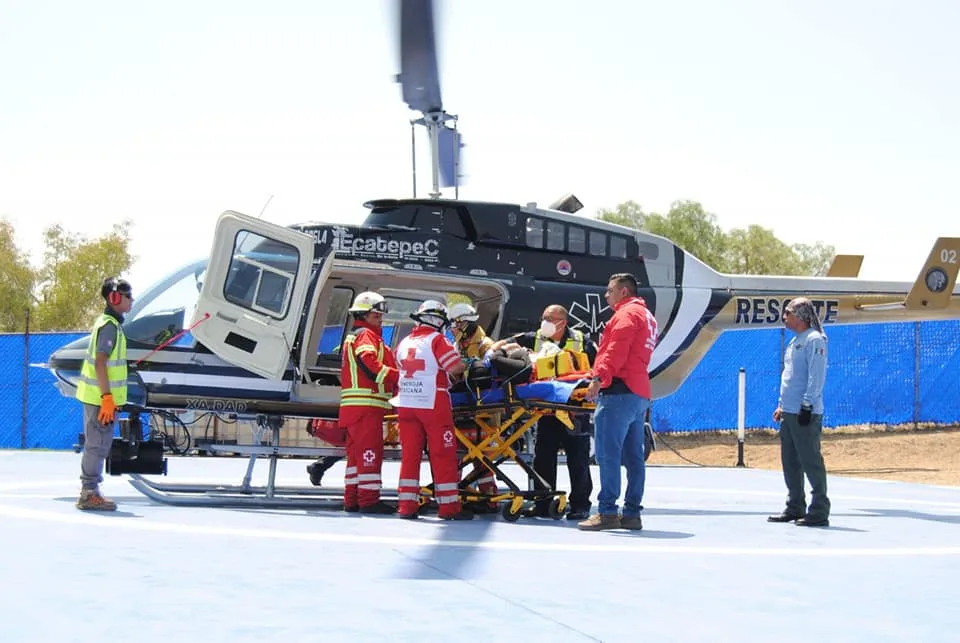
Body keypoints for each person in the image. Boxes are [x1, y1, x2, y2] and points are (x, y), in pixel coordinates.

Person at [498, 305, 597, 520]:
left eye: (551, 318)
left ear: (563, 321)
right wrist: (498, 349)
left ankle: (580, 504)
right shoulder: (535, 338)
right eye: (544, 318)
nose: (546, 322)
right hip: (545, 410)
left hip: (574, 409)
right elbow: (506, 343)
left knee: (578, 457)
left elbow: (596, 368)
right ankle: (542, 503)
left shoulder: (583, 341)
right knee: (543, 457)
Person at [579, 274, 658, 531]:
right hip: (639, 392)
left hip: (619, 392)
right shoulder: (647, 316)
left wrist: (598, 377)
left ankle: (607, 511)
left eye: (610, 290)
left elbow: (615, 350)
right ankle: (632, 513)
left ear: (623, 292)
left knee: (607, 454)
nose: (606, 295)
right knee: (634, 457)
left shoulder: (626, 315)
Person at [394, 301, 473, 520]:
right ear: (438, 320)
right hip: (432, 402)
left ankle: (406, 506)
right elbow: (455, 367)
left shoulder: (404, 342)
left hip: (407, 403)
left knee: (410, 456)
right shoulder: (437, 340)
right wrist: (465, 365)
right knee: (443, 454)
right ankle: (449, 508)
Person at [767, 297, 831, 527]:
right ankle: (795, 505)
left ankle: (819, 509)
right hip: (789, 412)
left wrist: (807, 404)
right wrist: (782, 405)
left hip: (805, 412)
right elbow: (790, 375)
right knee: (790, 461)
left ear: (802, 316)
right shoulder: (795, 341)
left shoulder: (815, 340)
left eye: (789, 313)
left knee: (811, 460)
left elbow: (816, 376)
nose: (784, 317)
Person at [73, 277, 135, 511]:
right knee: (97, 445)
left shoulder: (111, 325)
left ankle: (90, 491)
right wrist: (107, 398)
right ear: (115, 298)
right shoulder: (108, 326)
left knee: (98, 444)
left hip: (101, 399)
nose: (131, 300)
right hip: (101, 400)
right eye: (128, 296)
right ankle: (89, 493)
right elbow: (101, 362)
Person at [338, 291, 400, 514]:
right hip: (367, 406)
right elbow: (369, 364)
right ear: (363, 315)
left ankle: (352, 499)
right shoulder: (366, 336)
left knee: (355, 457)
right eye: (376, 316)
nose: (380, 320)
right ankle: (369, 500)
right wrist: (397, 376)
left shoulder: (355, 335)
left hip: (355, 407)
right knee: (370, 453)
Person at [448, 302, 500, 502]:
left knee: (482, 459)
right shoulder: (457, 345)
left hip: (483, 411)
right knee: (458, 454)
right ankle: (461, 494)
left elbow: (487, 371)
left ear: (464, 324)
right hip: (462, 408)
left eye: (455, 324)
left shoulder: (485, 344)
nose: (452, 329)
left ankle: (488, 497)